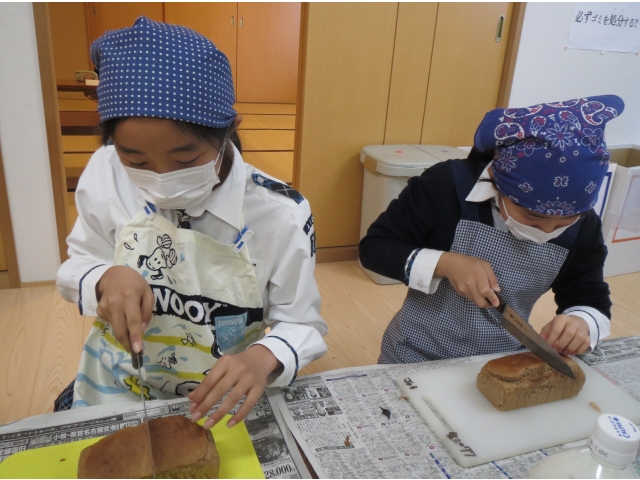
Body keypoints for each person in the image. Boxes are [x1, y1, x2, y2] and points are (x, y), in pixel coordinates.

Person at [55, 17, 327, 429]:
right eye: (137, 161)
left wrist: (262, 357)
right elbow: (77, 262)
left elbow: (301, 322)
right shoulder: (104, 170)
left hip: (219, 394)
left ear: (228, 131)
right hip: (117, 382)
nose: (161, 179)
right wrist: (103, 276)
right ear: (113, 146)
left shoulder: (279, 213)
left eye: (184, 161)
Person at [359, 95, 624, 364]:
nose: (546, 230)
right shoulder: (445, 186)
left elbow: (590, 296)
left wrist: (581, 321)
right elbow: (375, 248)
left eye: (566, 220)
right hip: (415, 350)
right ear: (496, 179)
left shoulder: (584, 227)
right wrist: (446, 263)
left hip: (503, 358)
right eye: (531, 216)